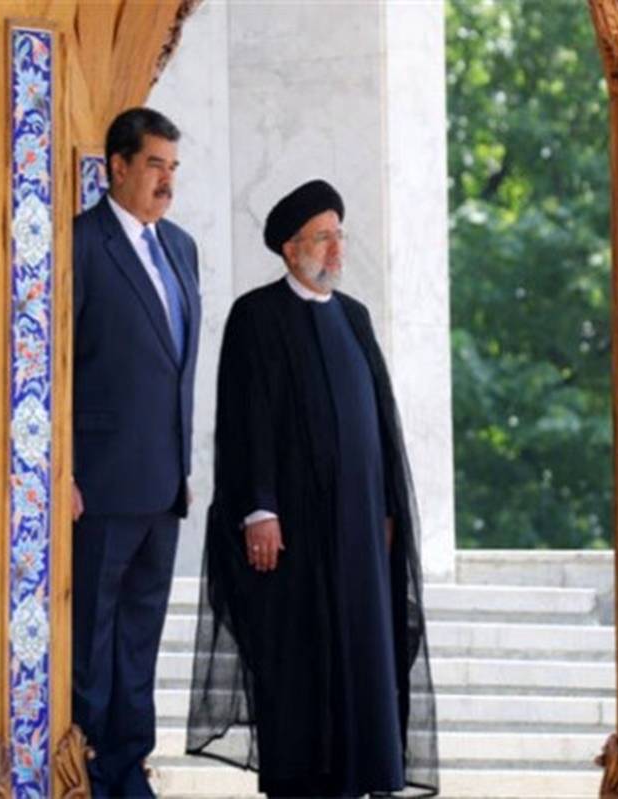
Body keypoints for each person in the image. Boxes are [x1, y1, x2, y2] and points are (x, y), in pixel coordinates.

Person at [187, 180, 439, 797]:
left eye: (338, 236)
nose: (335, 250)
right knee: (300, 660)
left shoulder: (353, 316)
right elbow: (244, 421)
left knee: (362, 657)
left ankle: (360, 776)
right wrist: (259, 509)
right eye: (323, 238)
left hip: (359, 534)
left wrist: (388, 509)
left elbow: (381, 422)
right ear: (291, 247)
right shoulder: (256, 315)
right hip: (291, 533)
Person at [71, 106, 201, 797]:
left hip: (163, 484)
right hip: (98, 484)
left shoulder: (181, 247)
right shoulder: (80, 243)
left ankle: (128, 771)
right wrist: (60, 470)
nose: (166, 180)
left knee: (139, 638)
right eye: (154, 165)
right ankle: (84, 769)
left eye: (172, 167)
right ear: (116, 167)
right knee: (92, 638)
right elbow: (54, 364)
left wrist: (183, 465)